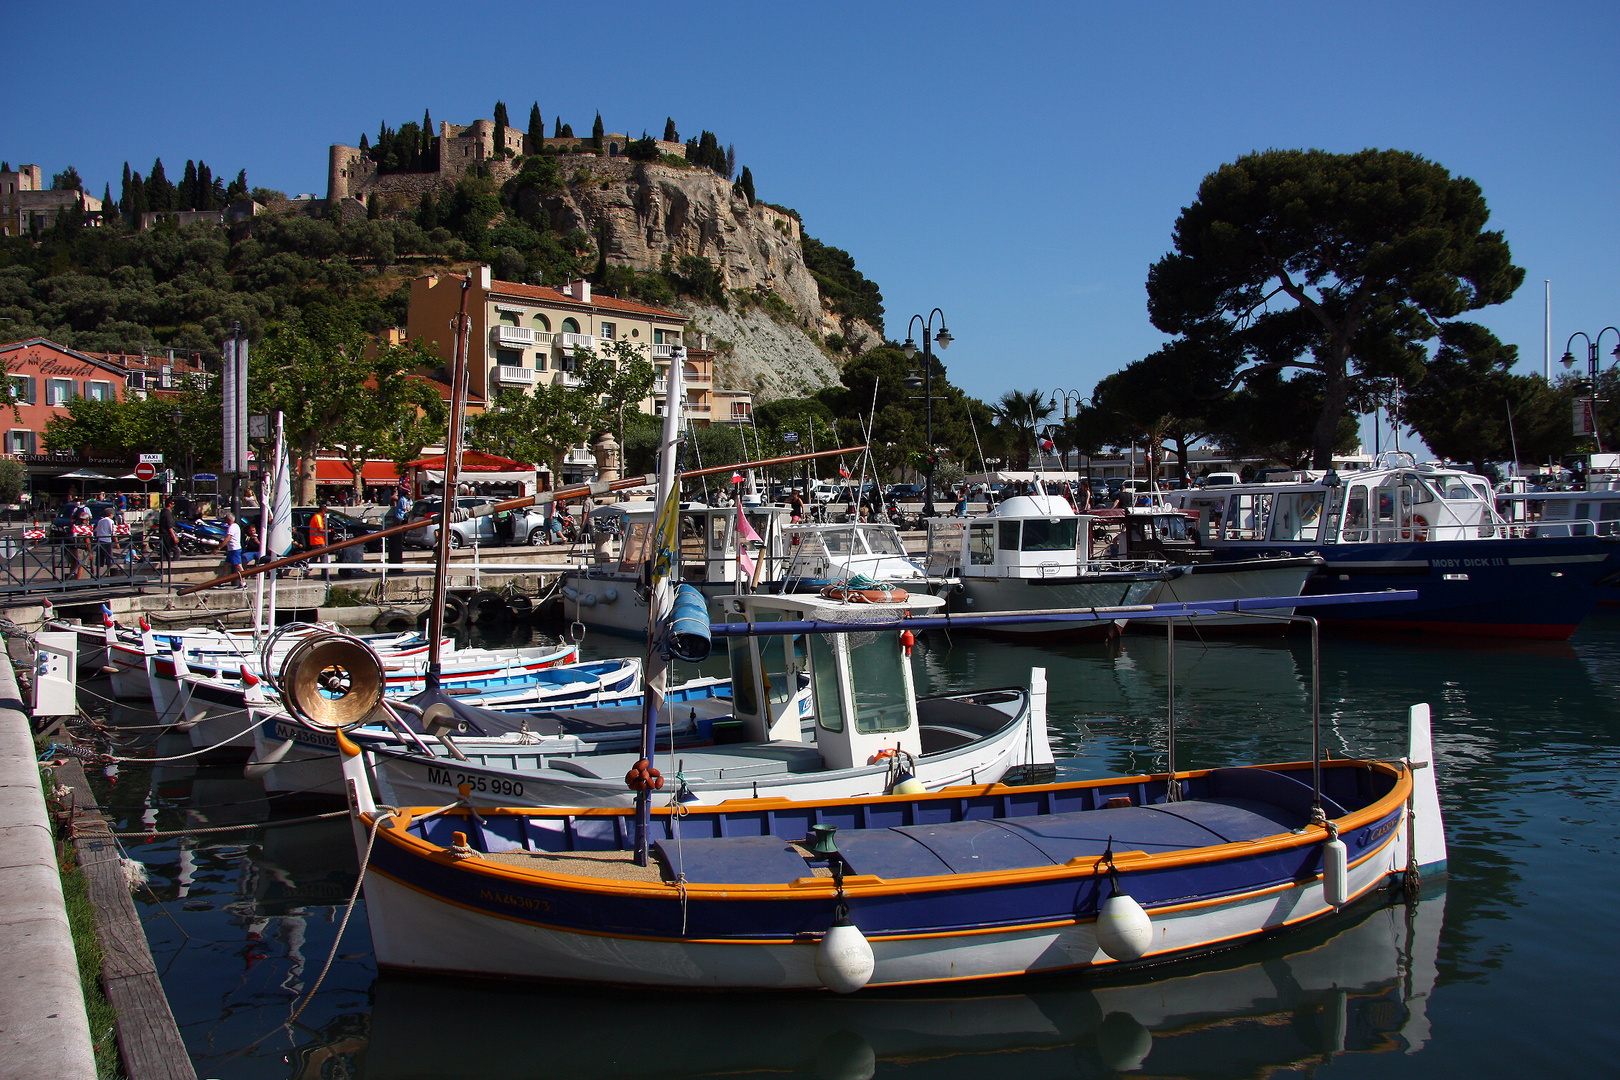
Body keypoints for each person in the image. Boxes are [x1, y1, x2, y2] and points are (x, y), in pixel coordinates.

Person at [223, 511, 245, 588]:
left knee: (239, 567)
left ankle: (243, 583)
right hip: (231, 550)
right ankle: (222, 582)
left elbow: (227, 539)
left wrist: (219, 547)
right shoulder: (236, 526)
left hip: (234, 549)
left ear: (228, 519)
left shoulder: (232, 528)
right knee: (226, 566)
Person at [308, 503, 329, 581]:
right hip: (319, 541)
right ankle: (325, 575)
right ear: (323, 511)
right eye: (325, 511)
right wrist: (328, 531)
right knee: (324, 558)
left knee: (314, 558)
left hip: (315, 541)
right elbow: (320, 529)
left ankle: (305, 572)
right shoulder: (318, 517)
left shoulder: (316, 517)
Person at [92, 507, 115, 576]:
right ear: (111, 514)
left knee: (100, 558)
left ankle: (98, 573)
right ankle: (108, 573)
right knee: (109, 558)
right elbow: (112, 531)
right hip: (107, 540)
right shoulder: (110, 521)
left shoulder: (100, 521)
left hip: (100, 540)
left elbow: (95, 530)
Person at [159, 497, 178, 563]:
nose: (174, 505)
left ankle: (164, 564)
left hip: (163, 534)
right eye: (173, 504)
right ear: (169, 504)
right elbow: (169, 526)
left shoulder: (163, 512)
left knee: (165, 551)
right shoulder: (167, 513)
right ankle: (174, 565)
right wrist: (174, 536)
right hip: (167, 534)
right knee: (176, 551)